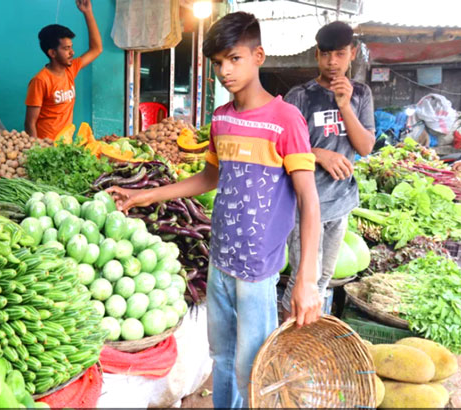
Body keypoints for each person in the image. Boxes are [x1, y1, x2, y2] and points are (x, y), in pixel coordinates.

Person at [107, 12, 322, 408]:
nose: (225, 70)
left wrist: (307, 277)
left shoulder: (285, 120)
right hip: (220, 261)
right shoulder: (221, 119)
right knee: (221, 358)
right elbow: (208, 178)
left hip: (258, 269)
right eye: (218, 62)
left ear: (258, 55)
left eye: (234, 59)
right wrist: (145, 196)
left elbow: (310, 202)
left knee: (251, 363)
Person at [281, 21, 375, 319]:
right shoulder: (300, 96)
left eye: (340, 54)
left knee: (323, 277)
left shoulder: (361, 94)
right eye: (325, 55)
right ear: (316, 55)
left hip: (341, 202)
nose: (332, 62)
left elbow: (365, 147)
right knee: (301, 279)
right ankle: (285, 345)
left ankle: (307, 337)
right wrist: (317, 153)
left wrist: (345, 106)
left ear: (352, 53)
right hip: (305, 203)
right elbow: (281, 149)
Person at [24, 0, 102, 141]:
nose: (72, 52)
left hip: (65, 145)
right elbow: (30, 123)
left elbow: (96, 49)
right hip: (47, 147)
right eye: (66, 48)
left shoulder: (71, 69)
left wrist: (87, 12)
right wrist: (37, 151)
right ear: (52, 53)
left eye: (71, 47)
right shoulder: (40, 80)